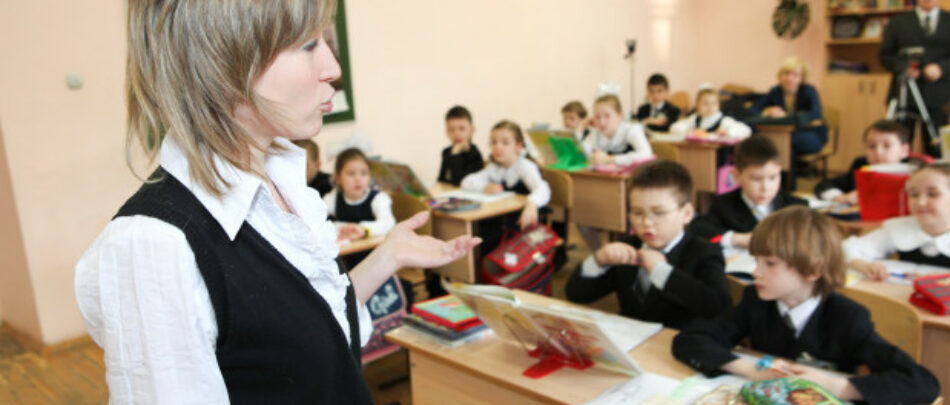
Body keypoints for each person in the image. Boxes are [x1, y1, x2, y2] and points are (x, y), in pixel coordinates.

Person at [74, 1, 480, 402]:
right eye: (308, 45)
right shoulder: (154, 246)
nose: (333, 69)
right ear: (226, 60)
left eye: (326, 40)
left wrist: (386, 258)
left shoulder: (285, 186)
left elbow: (308, 335)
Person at [672, 206, 941, 404]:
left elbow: (923, 383)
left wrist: (837, 386)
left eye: (770, 263)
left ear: (812, 270)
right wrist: (751, 369)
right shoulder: (757, 301)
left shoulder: (847, 318)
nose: (755, 272)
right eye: (756, 261)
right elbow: (691, 339)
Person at [565, 160, 730, 329]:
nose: (647, 223)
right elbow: (577, 294)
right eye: (637, 213)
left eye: (659, 213)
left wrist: (663, 273)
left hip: (677, 345)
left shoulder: (704, 252)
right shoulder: (628, 247)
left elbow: (715, 307)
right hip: (630, 339)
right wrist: (598, 261)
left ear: (686, 213)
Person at [690, 136, 807, 249]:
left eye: (773, 177)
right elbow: (698, 228)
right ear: (736, 176)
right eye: (756, 179)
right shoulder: (724, 205)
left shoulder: (794, 207)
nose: (765, 188)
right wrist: (737, 239)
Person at [844, 162, 950, 281]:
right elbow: (847, 248)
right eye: (914, 194)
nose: (920, 202)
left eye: (932, 194)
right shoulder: (903, 227)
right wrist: (864, 265)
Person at [461, 120, 551, 254]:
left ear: (518, 146)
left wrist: (532, 205)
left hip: (523, 223)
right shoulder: (496, 167)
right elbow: (467, 181)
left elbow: (543, 188)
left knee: (485, 236)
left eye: (505, 143)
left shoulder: (525, 166)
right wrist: (485, 186)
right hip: (504, 221)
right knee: (478, 231)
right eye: (494, 142)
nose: (498, 147)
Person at [880, 0, 950, 158]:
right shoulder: (898, 22)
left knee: (936, 145)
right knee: (899, 143)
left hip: (938, 94)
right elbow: (885, 55)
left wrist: (941, 68)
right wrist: (904, 68)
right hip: (905, 92)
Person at [814, 119, 912, 204]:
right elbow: (824, 185)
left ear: (904, 150)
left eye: (887, 146)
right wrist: (840, 197)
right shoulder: (861, 166)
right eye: (871, 146)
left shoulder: (913, 171)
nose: (878, 152)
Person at [749, 57, 827, 156]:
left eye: (795, 75)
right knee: (773, 140)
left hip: (812, 133)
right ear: (780, 75)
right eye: (786, 73)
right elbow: (753, 110)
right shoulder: (775, 91)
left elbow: (816, 114)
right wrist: (767, 112)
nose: (789, 78)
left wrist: (785, 116)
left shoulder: (809, 91)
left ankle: (788, 171)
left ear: (801, 78)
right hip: (783, 133)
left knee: (784, 142)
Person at [324, 147, 396, 242]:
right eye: (351, 174)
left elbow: (389, 223)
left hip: (374, 250)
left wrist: (362, 229)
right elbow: (314, 219)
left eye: (364, 173)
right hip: (346, 253)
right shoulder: (332, 198)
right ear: (338, 178)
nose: (358, 179)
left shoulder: (378, 198)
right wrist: (341, 227)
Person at [582, 94, 654, 166]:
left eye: (607, 116)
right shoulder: (595, 133)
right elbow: (580, 154)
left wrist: (609, 159)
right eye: (597, 117)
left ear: (620, 116)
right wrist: (580, 128)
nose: (601, 122)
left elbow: (646, 155)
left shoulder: (631, 130)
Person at [669, 88, 751, 140]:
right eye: (705, 104)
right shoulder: (695, 119)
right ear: (697, 105)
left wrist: (729, 133)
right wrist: (689, 132)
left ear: (718, 105)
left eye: (714, 103)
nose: (710, 107)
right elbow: (674, 128)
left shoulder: (724, 120)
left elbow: (746, 130)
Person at [437, 105, 484, 186]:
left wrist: (455, 153)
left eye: (462, 128)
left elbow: (460, 181)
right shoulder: (446, 152)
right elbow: (441, 180)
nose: (456, 133)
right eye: (451, 129)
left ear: (472, 130)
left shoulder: (474, 153)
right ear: (446, 132)